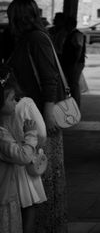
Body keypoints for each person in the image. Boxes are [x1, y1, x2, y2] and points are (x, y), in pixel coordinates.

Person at [7, 0, 68, 232]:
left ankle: (46, 225)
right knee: (36, 172)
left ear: (18, 17)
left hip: (41, 116)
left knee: (40, 171)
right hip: (34, 115)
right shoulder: (26, 39)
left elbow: (49, 76)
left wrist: (49, 111)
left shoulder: (36, 39)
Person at [0, 72, 38, 233]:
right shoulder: (1, 135)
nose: (16, 102)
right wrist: (30, 134)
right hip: (4, 196)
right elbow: (23, 156)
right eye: (11, 99)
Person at [9, 91, 47, 233]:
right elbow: (42, 133)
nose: (14, 103)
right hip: (23, 163)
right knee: (27, 205)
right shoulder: (24, 104)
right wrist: (34, 145)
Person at [60, 15, 86, 108]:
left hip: (75, 63)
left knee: (74, 84)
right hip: (72, 62)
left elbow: (79, 48)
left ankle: (76, 105)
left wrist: (75, 62)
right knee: (72, 83)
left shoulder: (76, 34)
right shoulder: (70, 34)